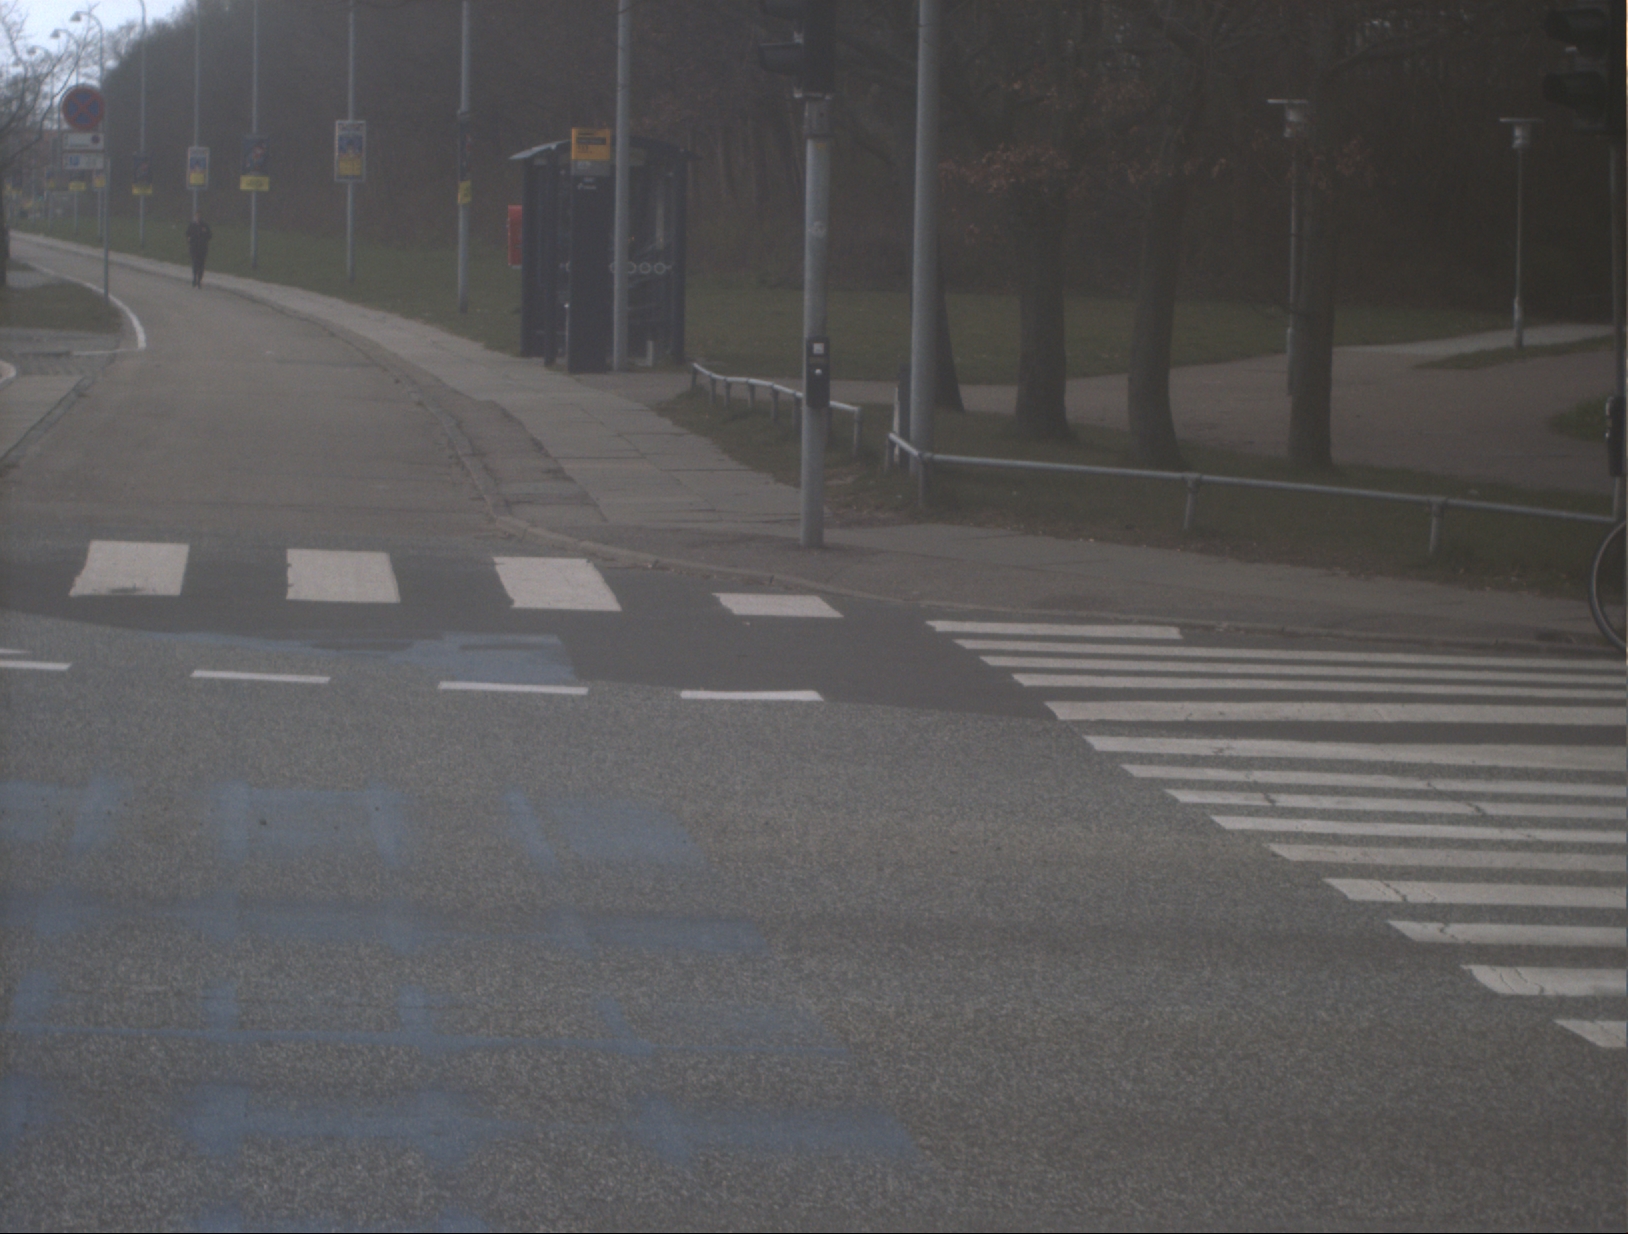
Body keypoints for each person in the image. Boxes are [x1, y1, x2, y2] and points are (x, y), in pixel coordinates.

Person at [186, 212, 212, 288]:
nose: (197, 218)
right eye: (196, 216)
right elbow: (187, 233)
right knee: (195, 263)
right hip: (194, 247)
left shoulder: (204, 226)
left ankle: (199, 280)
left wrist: (205, 232)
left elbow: (210, 236)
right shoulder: (192, 225)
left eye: (198, 216)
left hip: (202, 248)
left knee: (201, 264)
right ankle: (195, 278)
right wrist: (189, 239)